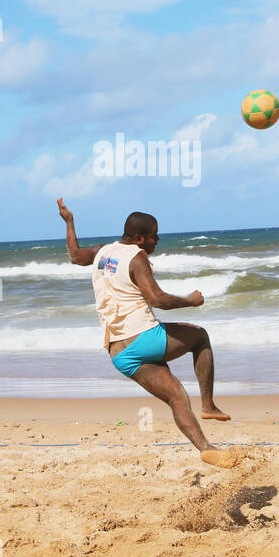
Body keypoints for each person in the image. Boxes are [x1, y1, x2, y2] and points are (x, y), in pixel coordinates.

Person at [57, 197, 241, 468]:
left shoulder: (103, 252)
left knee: (176, 396)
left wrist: (70, 222)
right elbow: (156, 299)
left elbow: (74, 256)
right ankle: (208, 405)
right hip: (144, 339)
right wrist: (190, 301)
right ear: (140, 238)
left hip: (119, 354)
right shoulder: (137, 258)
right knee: (200, 336)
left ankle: (206, 448)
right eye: (155, 236)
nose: (158, 241)